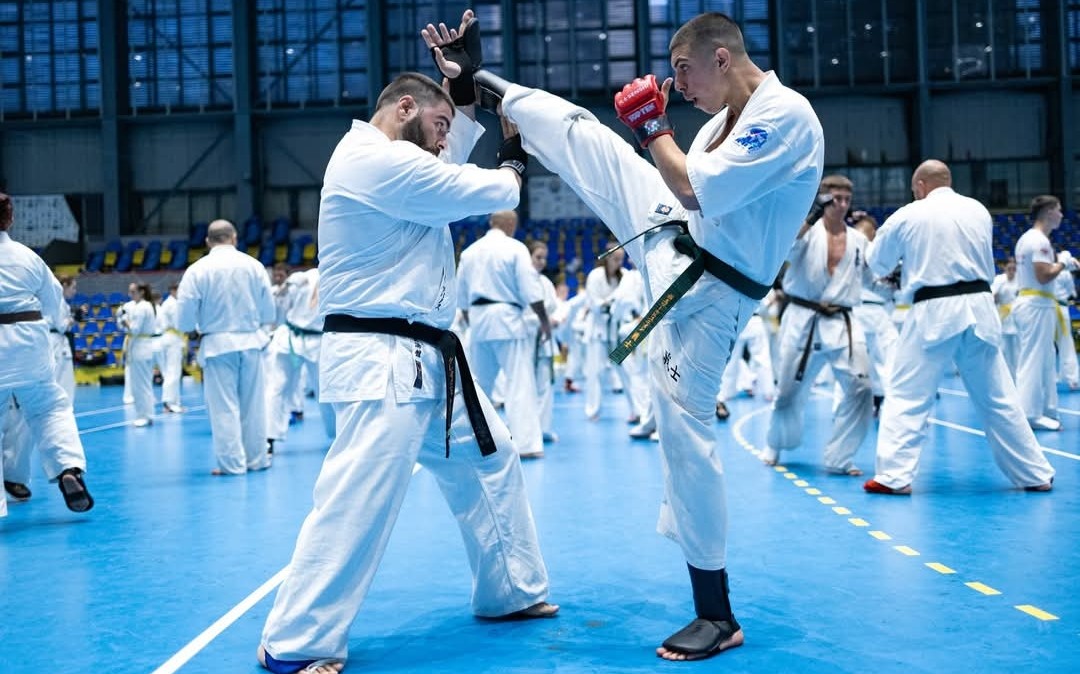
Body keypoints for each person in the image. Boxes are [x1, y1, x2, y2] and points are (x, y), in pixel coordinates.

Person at [448, 10, 824, 660]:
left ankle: (716, 614)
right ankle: (481, 81)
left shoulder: (786, 115)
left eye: (684, 70)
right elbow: (679, 182)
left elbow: (690, 184)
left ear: (722, 58)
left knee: (686, 438)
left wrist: (653, 129)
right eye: (673, 75)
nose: (678, 85)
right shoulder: (715, 126)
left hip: (712, 292)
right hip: (676, 245)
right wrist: (651, 136)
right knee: (586, 137)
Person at [256, 59, 557, 672]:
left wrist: (463, 93)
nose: (447, 139)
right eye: (440, 124)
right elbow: (490, 190)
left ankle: (510, 592)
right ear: (403, 110)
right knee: (357, 499)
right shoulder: (373, 159)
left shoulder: (398, 163)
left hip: (423, 359)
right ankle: (295, 642)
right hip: (381, 360)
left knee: (491, 461)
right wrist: (512, 153)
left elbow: (443, 167)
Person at [862, 161, 1055, 495]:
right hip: (980, 308)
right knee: (998, 398)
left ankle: (893, 476)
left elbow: (877, 262)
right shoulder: (978, 210)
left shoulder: (910, 213)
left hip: (935, 309)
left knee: (908, 394)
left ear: (920, 185)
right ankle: (1035, 473)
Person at [761, 175, 873, 473]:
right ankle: (775, 443)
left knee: (861, 388)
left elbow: (875, 277)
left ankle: (839, 457)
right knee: (786, 391)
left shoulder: (859, 240)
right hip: (802, 318)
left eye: (847, 200)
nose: (842, 205)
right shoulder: (806, 233)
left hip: (842, 322)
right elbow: (784, 248)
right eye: (836, 199)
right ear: (823, 200)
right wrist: (811, 215)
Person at [0, 192, 93, 515]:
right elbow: (55, 304)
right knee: (48, 407)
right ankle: (68, 467)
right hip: (29, 340)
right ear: (10, 219)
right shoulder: (27, 257)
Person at [176, 219, 275, 475]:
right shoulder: (254, 266)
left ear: (208, 241)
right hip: (251, 341)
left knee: (224, 407)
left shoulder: (198, 270)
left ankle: (232, 464)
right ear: (234, 238)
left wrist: (193, 327)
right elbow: (268, 310)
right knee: (254, 404)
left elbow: (185, 315)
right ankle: (257, 459)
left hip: (217, 343)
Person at [457, 209, 550, 458]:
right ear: (511, 224)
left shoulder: (469, 252)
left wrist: (472, 321)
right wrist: (544, 321)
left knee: (479, 386)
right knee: (519, 383)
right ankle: (527, 445)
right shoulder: (515, 248)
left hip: (479, 321)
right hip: (508, 320)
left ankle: (475, 442)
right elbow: (530, 289)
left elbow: (462, 298)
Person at [1011, 195, 1078, 431]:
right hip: (1035, 305)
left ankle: (1047, 409)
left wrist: (1059, 262)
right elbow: (1043, 275)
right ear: (1048, 211)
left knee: (1047, 360)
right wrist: (1063, 263)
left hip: (1040, 304)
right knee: (1033, 360)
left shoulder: (1032, 239)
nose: (1061, 214)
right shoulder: (1037, 240)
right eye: (1058, 210)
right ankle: (1029, 415)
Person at [264, 267, 334, 449]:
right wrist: (287, 287)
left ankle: (337, 434)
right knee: (278, 386)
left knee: (326, 390)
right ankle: (268, 437)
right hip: (291, 338)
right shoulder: (303, 277)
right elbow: (281, 298)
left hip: (319, 340)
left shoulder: (338, 275)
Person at [852, 214, 899, 415]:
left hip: (873, 311)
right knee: (880, 362)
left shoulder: (876, 253)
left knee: (876, 362)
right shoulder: (877, 254)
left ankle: (881, 403)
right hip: (862, 310)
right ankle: (885, 405)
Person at [525, 239, 561, 443]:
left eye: (544, 258)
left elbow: (553, 306)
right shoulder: (520, 280)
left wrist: (549, 319)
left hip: (545, 340)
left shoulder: (546, 282)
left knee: (545, 386)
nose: (542, 262)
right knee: (526, 387)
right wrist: (540, 319)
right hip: (527, 339)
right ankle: (528, 431)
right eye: (538, 257)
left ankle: (542, 428)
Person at [120, 283, 158, 427]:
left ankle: (144, 415)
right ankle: (145, 414)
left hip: (141, 348)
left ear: (141, 292)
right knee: (143, 384)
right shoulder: (142, 306)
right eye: (130, 292)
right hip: (142, 348)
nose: (131, 295)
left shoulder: (142, 307)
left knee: (140, 385)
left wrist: (125, 321)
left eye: (134, 292)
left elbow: (135, 329)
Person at [157, 282, 187, 413]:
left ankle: (172, 402)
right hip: (172, 339)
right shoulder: (173, 304)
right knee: (173, 372)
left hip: (169, 338)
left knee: (171, 372)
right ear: (174, 291)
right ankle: (170, 403)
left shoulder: (168, 303)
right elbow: (179, 323)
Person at [991, 257, 1020, 378]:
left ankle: (1018, 375)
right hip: (1002, 315)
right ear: (1005, 268)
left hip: (1017, 315)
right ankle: (1003, 376)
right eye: (1009, 268)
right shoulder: (999, 279)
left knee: (1017, 349)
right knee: (1002, 347)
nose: (1012, 271)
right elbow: (993, 297)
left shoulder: (1020, 279)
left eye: (1014, 268)